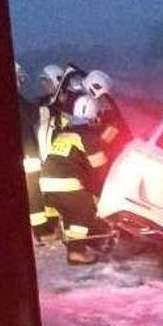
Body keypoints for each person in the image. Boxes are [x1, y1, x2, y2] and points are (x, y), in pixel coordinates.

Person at [39, 94, 112, 265]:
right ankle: (76, 253)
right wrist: (103, 192)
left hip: (47, 185)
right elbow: (99, 166)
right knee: (84, 209)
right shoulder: (87, 135)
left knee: (72, 212)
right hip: (65, 183)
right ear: (94, 116)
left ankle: (76, 242)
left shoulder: (66, 133)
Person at [18, 63, 65, 242]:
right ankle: (41, 230)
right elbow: (34, 114)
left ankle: (49, 224)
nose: (21, 82)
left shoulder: (26, 99)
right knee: (34, 190)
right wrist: (52, 108)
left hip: (40, 152)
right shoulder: (18, 99)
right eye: (20, 78)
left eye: (46, 81)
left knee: (42, 188)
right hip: (29, 152)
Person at [83, 69, 132, 186]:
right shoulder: (106, 112)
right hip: (101, 163)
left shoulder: (112, 118)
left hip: (105, 165)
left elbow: (104, 140)